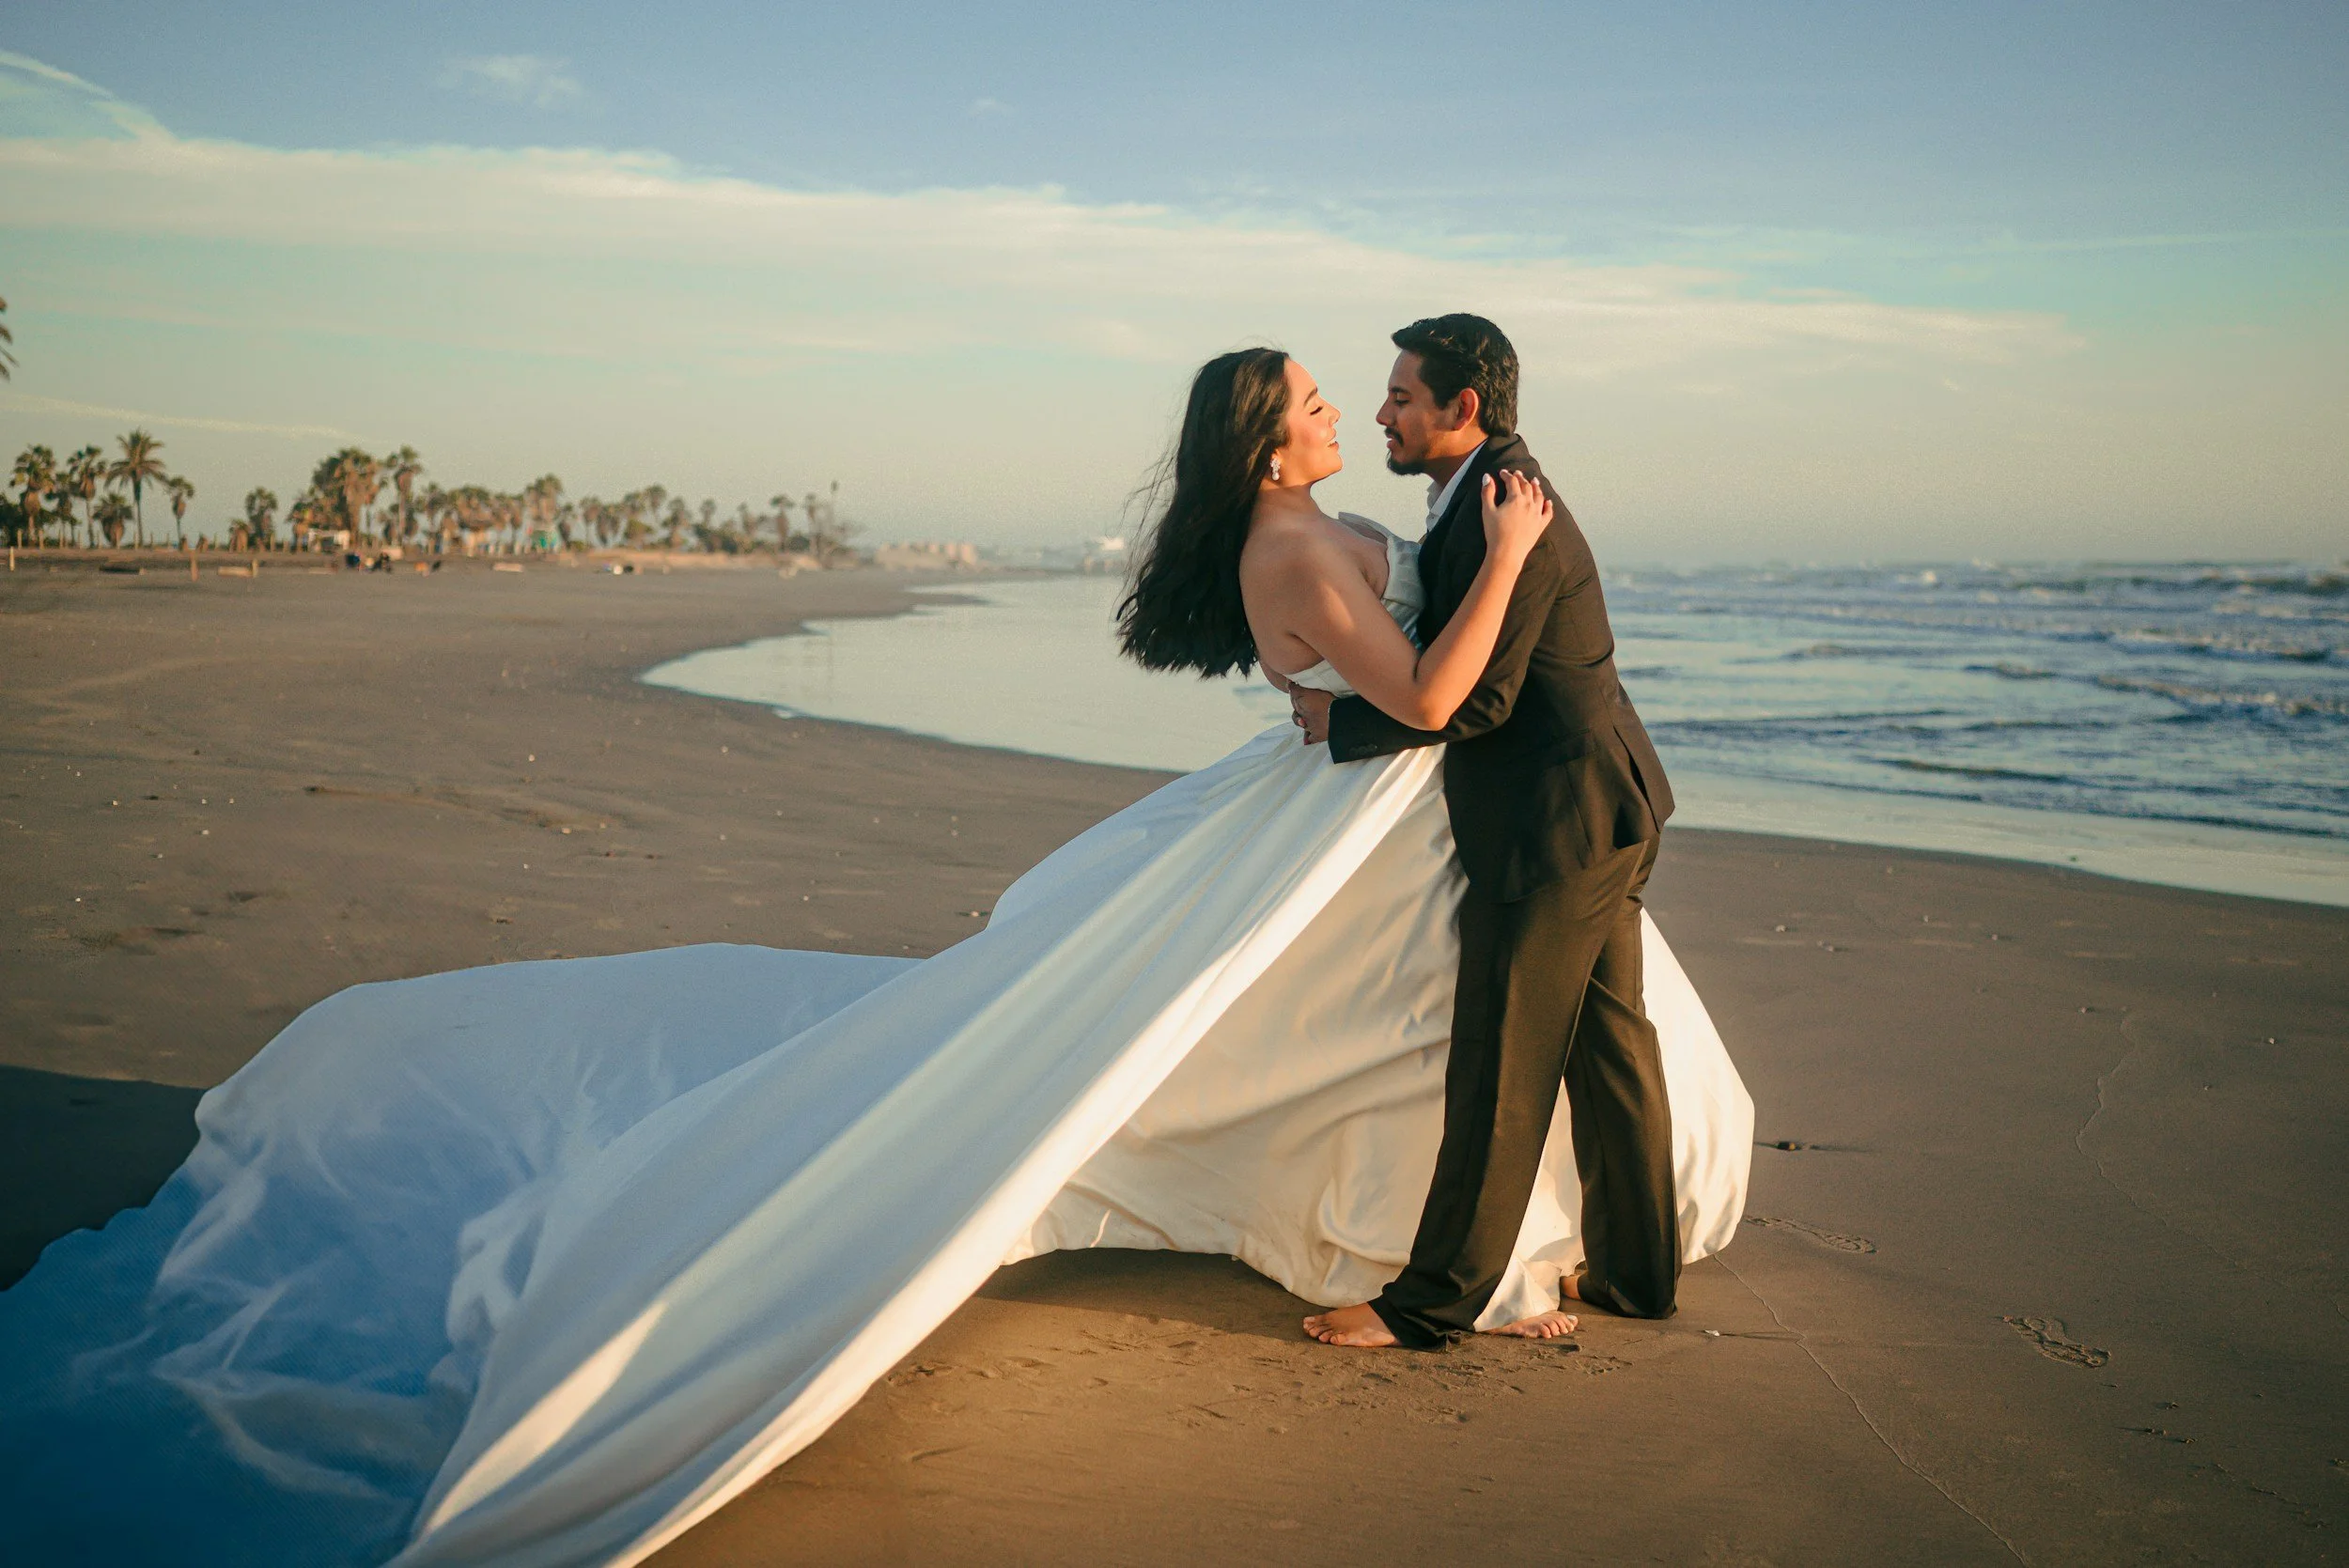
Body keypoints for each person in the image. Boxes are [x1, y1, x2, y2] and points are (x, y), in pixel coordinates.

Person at [0, 346, 1750, 1568]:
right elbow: (1425, 692)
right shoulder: (1297, 530)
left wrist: (1384, 644)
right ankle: (1454, 1245)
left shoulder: (1294, 531)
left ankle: (1493, 1232)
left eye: (1353, 394)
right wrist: (1506, 555)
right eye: (1313, 398)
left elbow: (1345, 683)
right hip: (1385, 812)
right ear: (1266, 440)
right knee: (1300, 1032)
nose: (1341, 411)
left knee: (1344, 1026)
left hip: (1373, 815)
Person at [1288, 315, 1684, 1348]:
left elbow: (1479, 700)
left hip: (1556, 826)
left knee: (1500, 1065)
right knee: (1608, 1049)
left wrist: (1344, 720)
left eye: (1401, 397)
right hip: (1604, 804)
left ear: (1463, 409)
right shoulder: (1483, 493)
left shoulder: (1508, 509)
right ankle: (1638, 1278)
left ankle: (1427, 1306)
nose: (1381, 412)